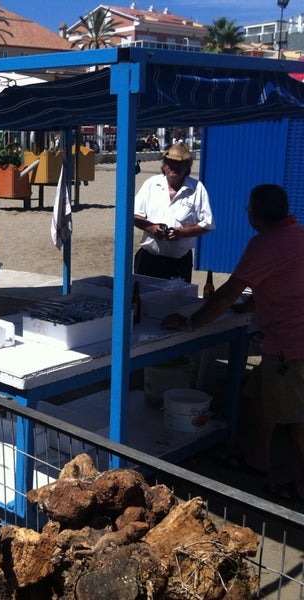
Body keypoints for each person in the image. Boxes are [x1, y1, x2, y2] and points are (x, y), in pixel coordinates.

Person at [162, 184, 304, 503]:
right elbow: (284, 281)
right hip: (281, 347)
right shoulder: (297, 235)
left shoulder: (265, 244)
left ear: (254, 213)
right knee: (255, 397)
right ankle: (258, 460)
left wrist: (190, 323)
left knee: (296, 418)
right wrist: (251, 306)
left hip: (290, 350)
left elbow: (228, 291)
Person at [133, 141, 214, 283]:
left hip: (179, 264)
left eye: (179, 163)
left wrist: (182, 233)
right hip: (149, 260)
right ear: (164, 165)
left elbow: (208, 224)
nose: (173, 166)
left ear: (187, 166)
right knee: (141, 302)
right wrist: (151, 228)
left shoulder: (197, 188)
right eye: (170, 162)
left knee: (175, 304)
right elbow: (133, 215)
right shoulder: (151, 184)